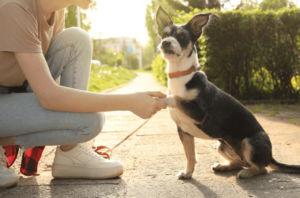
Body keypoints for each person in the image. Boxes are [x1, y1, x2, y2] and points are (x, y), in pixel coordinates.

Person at [0, 0, 167, 188]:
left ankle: (70, 154)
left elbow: (48, 80)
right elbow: (49, 96)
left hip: (14, 91)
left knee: (76, 39)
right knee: (90, 122)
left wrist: (68, 133)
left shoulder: (55, 10)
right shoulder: (15, 7)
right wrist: (129, 102)